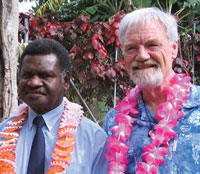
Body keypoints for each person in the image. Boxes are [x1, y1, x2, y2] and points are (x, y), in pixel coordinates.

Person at [104, 7, 200, 174]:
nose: (142, 56)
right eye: (132, 48)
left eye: (152, 45)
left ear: (173, 49)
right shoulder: (113, 122)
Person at [0, 38, 108, 174]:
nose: (33, 83)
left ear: (66, 81)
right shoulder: (3, 135)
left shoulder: (93, 139)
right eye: (27, 75)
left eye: (45, 75)